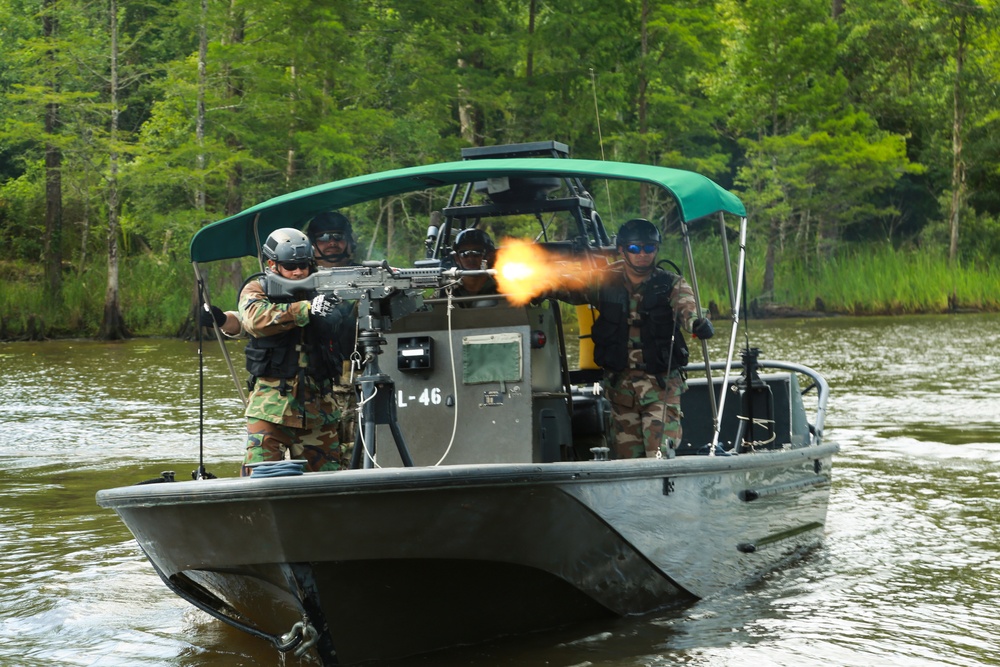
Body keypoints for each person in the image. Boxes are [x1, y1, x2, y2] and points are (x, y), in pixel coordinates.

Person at [564, 218, 714, 459]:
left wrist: (698, 322)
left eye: (649, 248)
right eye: (635, 248)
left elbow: (688, 308)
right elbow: (563, 286)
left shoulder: (670, 283)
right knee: (628, 462)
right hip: (620, 392)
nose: (643, 254)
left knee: (661, 458)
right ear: (622, 249)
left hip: (661, 390)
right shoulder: (602, 280)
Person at [238, 227, 351, 474]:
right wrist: (307, 309)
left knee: (328, 485)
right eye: (290, 266)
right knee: (259, 479)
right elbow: (254, 320)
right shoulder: (258, 288)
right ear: (272, 264)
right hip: (271, 409)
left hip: (319, 410)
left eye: (304, 265)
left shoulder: (325, 285)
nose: (298, 272)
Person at [445, 228, 501, 307]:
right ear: (457, 258)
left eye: (477, 253)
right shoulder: (448, 288)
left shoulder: (502, 287)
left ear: (489, 256)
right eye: (464, 254)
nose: (470, 259)